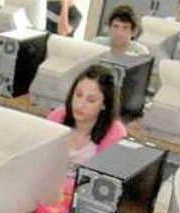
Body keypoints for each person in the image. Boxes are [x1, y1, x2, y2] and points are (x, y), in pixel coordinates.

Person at [48, 64, 128, 194]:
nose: (80, 105)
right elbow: (40, 163)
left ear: (104, 105)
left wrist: (57, 184)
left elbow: (99, 185)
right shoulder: (57, 117)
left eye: (90, 100)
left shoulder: (115, 133)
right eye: (78, 95)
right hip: (47, 195)